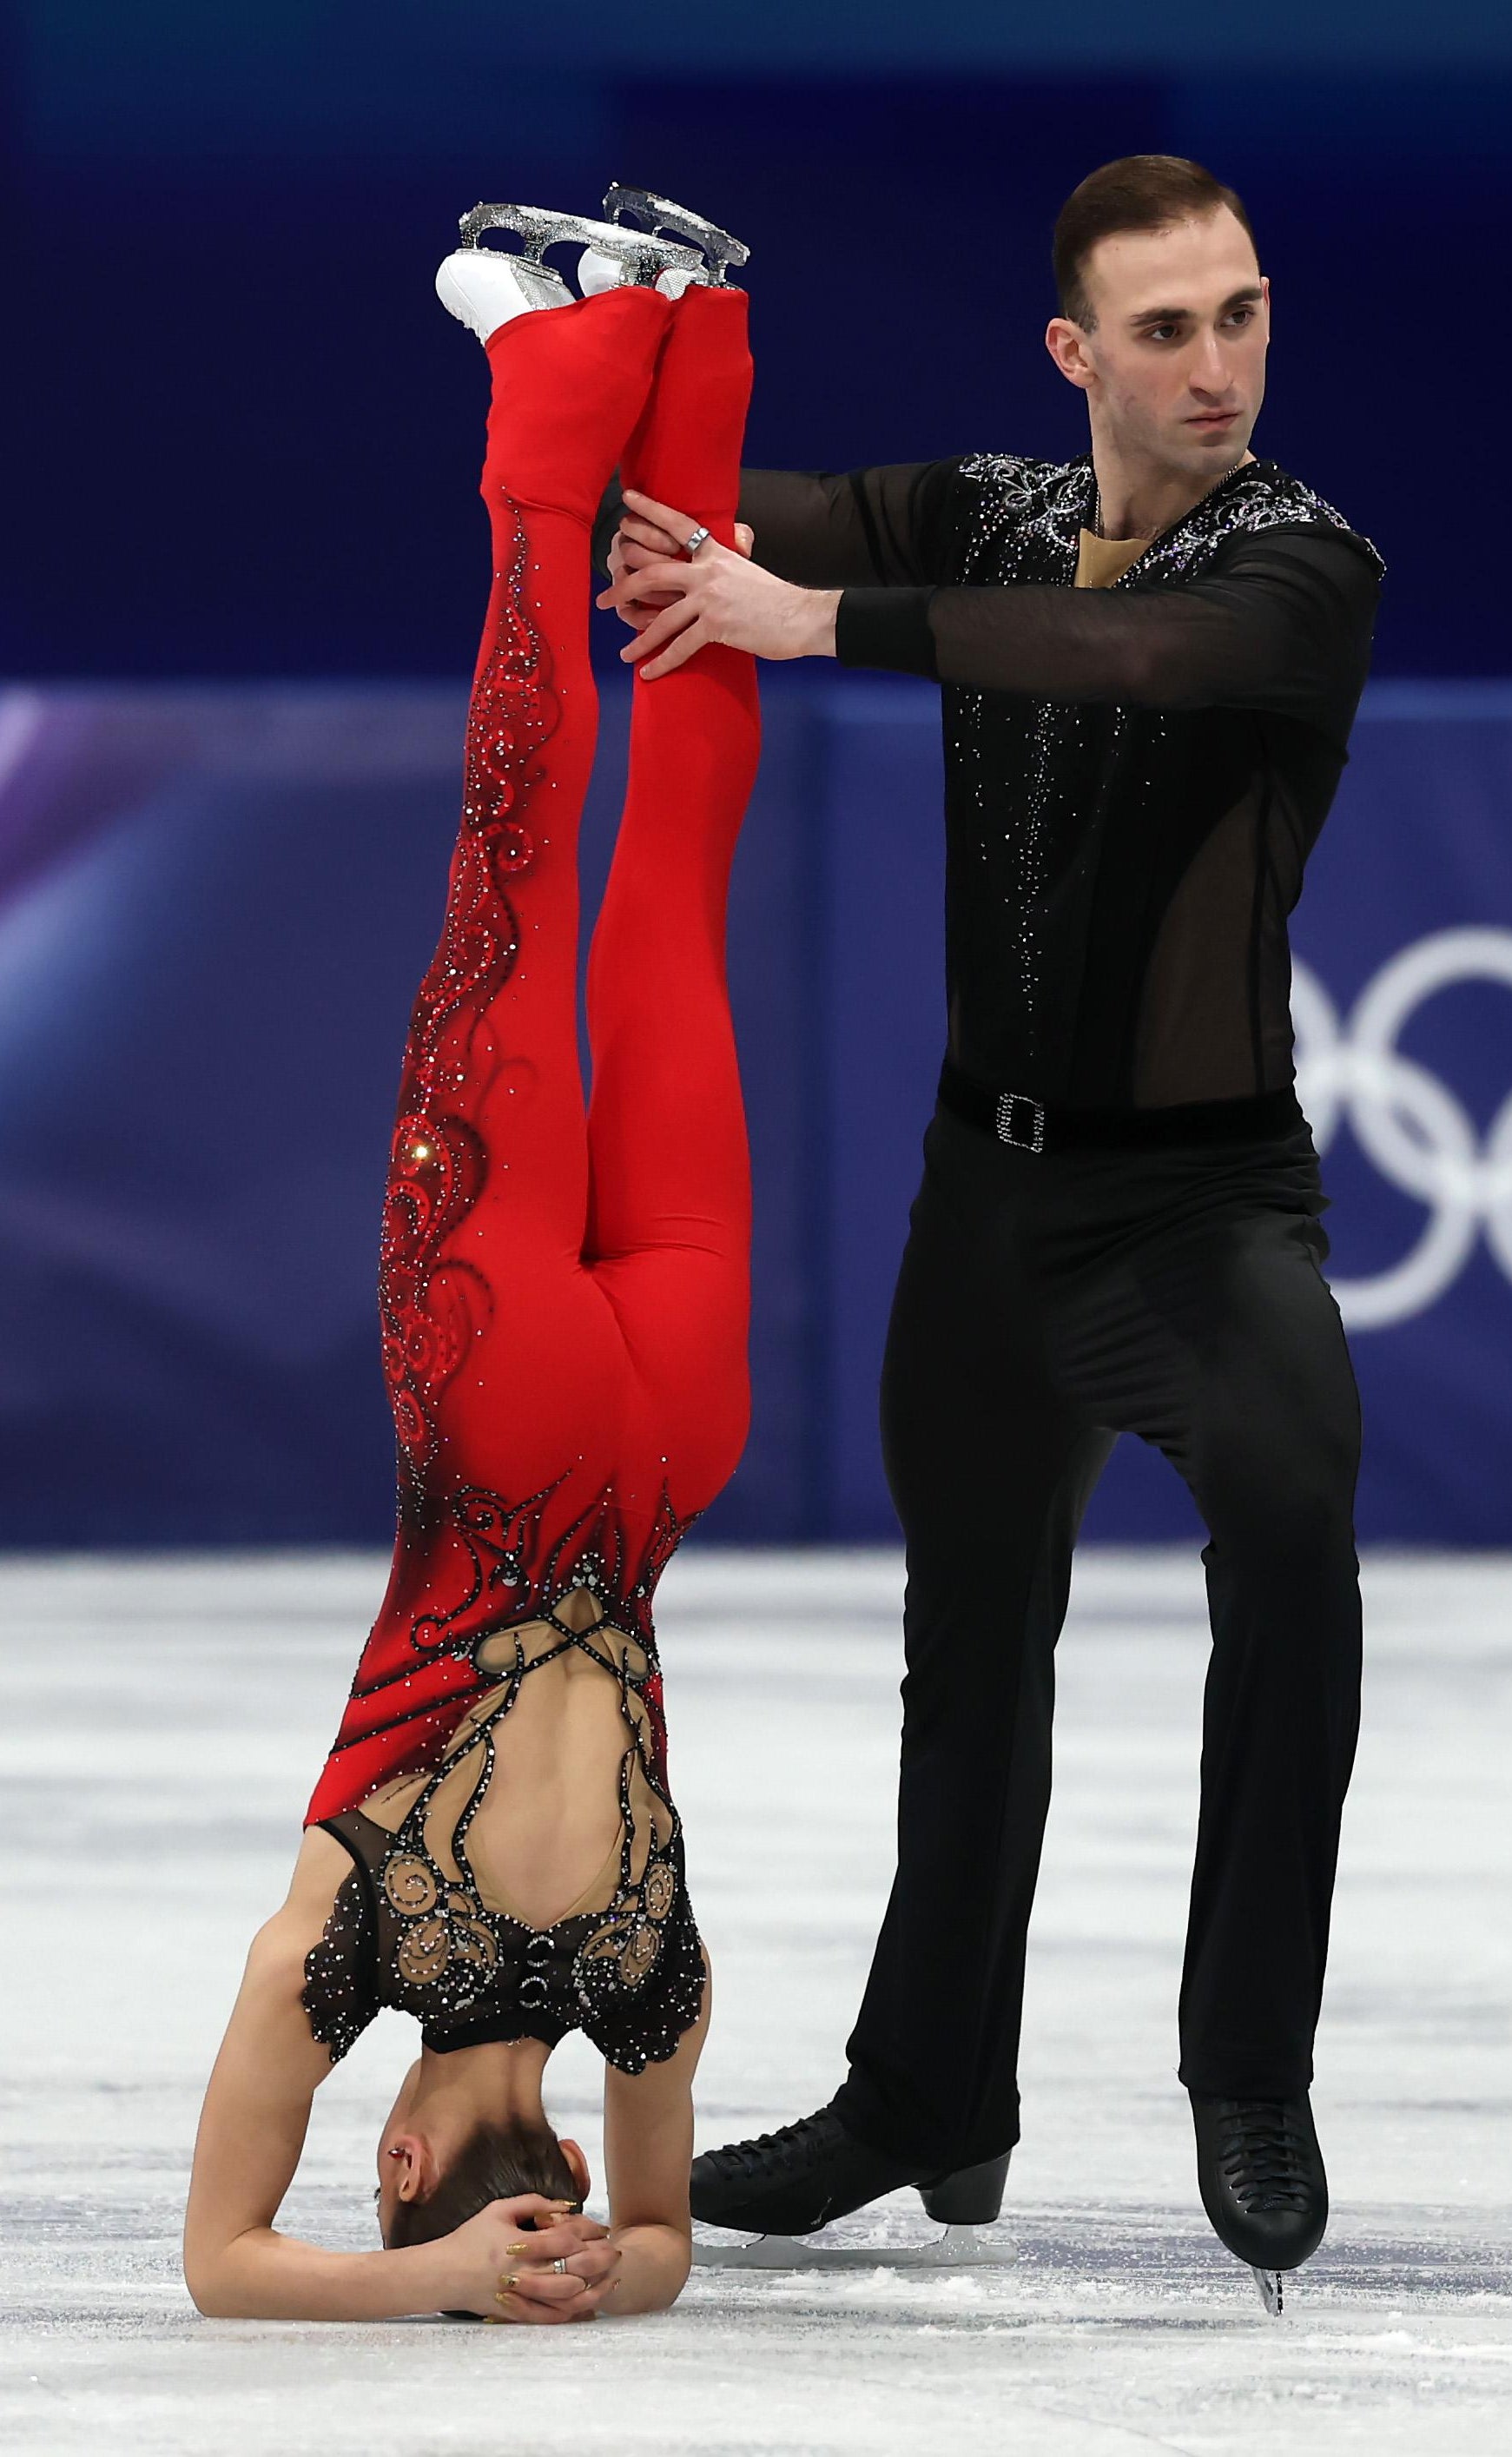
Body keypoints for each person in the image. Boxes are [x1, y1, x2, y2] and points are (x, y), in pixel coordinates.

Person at [603, 155, 1382, 2290]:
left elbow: (1131, 659)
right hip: (986, 1202)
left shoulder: (1307, 566)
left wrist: (814, 620)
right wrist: (577, 360)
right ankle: (934, 2089)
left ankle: (1248, 2061)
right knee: (964, 1665)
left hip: (1203, 1210)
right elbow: (684, 507)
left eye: (1238, 313)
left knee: (1294, 1555)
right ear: (1076, 354)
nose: (1214, 362)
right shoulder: (986, 506)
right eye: (1164, 328)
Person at [184, 204, 759, 2324]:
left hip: (670, 1429)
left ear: (566, 2169)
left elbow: (674, 2243)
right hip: (503, 1393)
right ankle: (550, 363)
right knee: (517, 838)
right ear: (405, 2149)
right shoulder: (336, 1946)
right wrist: (409, 2278)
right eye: (388, 2170)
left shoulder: (654, 1970)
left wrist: (609, 2266)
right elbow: (223, 2269)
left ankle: (694, 332)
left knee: (676, 889)